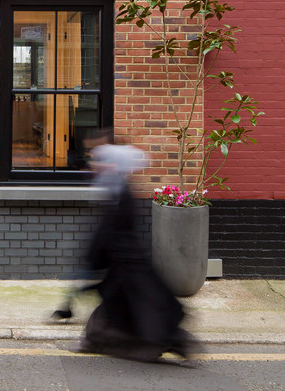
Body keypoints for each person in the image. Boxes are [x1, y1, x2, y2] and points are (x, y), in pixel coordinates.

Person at [77, 142, 199, 362]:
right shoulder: (117, 189)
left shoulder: (119, 192)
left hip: (126, 264)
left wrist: (94, 257)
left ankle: (165, 340)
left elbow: (110, 230)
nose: (95, 165)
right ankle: (98, 339)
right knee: (127, 306)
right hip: (124, 263)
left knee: (139, 308)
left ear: (116, 166)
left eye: (101, 161)